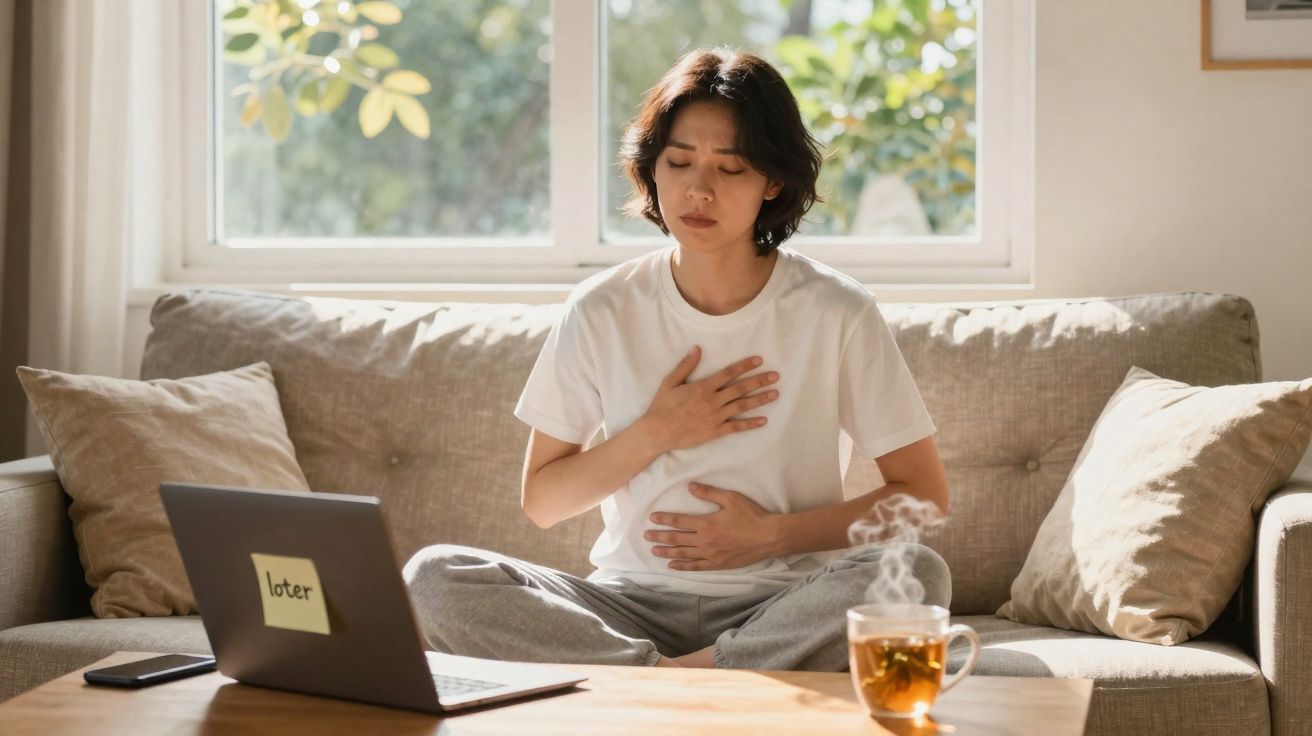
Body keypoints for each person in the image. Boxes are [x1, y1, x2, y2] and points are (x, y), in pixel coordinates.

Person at [403, 47, 951, 672]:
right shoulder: (601, 308)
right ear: (652, 170)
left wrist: (774, 536)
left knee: (916, 573)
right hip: (626, 606)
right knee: (434, 577)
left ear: (773, 180)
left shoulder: (836, 311)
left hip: (779, 606)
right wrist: (657, 432)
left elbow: (924, 496)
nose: (699, 189)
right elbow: (544, 501)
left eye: (731, 168)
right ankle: (680, 676)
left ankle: (666, 678)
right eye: (679, 162)